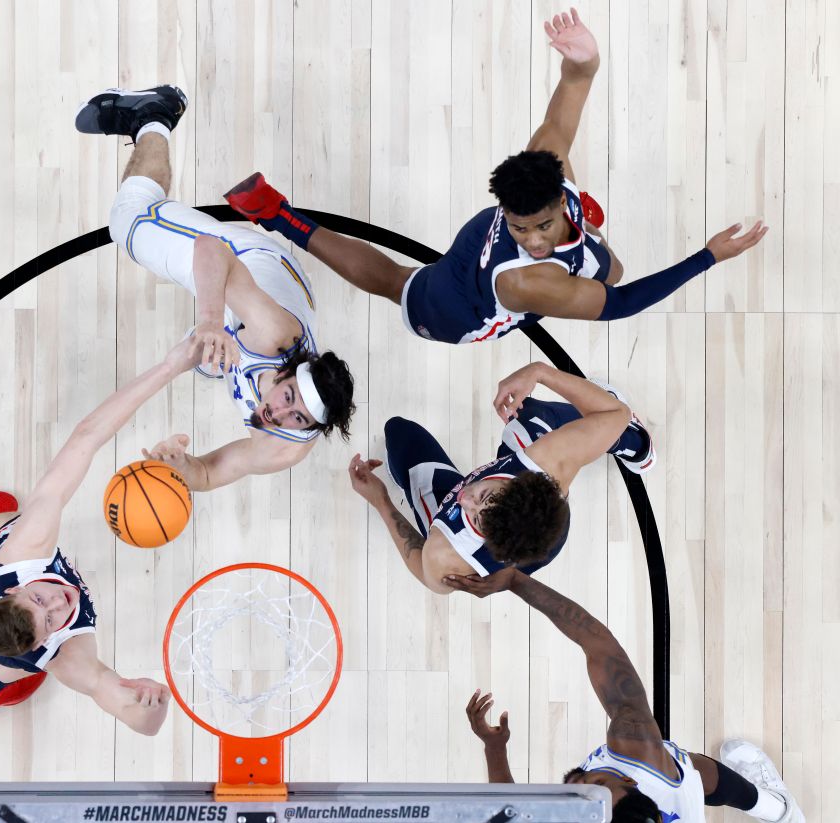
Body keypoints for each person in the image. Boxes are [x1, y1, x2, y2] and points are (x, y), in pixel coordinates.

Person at [224, 8, 767, 344]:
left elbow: (564, 108)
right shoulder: (528, 278)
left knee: (609, 266)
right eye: (522, 226)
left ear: (559, 195)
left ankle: (585, 235)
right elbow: (621, 307)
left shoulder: (547, 159)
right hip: (460, 306)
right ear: (508, 212)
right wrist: (709, 257)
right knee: (399, 284)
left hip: (481, 239)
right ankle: (280, 217)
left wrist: (584, 64)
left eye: (542, 226)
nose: (531, 240)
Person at [74, 85, 356, 490]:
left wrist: (179, 466)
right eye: (289, 396)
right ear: (290, 371)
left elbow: (209, 473)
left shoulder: (285, 447)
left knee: (208, 358)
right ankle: (154, 113)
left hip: (279, 300)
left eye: (299, 418)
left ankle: (217, 342)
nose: (280, 413)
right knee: (127, 222)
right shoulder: (274, 336)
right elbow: (212, 251)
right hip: (250, 264)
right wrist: (209, 320)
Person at [0, 336, 203, 730]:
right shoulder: (65, 656)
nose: (59, 603)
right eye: (50, 621)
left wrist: (170, 366)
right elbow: (131, 711)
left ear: (14, 590)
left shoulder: (24, 551)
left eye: (39, 598)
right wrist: (151, 705)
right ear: (44, 644)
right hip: (3, 638)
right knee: (13, 668)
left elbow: (86, 437)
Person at [451, 567, 805, 823]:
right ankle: (781, 811)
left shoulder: (615, 777)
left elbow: (511, 812)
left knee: (691, 771)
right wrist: (515, 580)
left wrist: (494, 749)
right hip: (679, 798)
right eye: (598, 784)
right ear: (629, 780)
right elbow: (599, 644)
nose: (579, 785)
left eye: (585, 800)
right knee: (690, 773)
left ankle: (778, 810)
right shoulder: (636, 746)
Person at [348, 362, 653, 592]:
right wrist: (540, 372)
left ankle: (634, 444)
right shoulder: (548, 463)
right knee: (529, 416)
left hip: (517, 551)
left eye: (477, 518)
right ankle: (637, 444)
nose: (464, 498)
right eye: (485, 496)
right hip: (537, 535)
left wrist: (381, 501)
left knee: (399, 435)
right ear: (520, 481)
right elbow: (615, 413)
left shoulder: (447, 551)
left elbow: (427, 574)